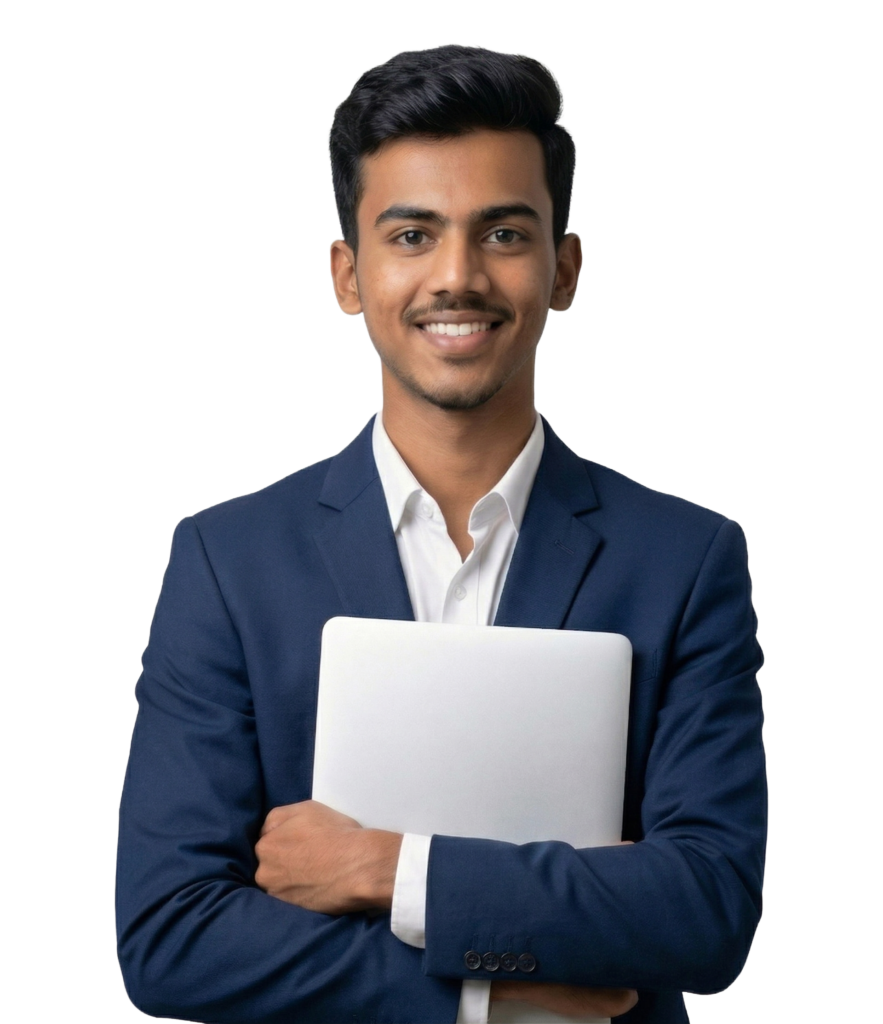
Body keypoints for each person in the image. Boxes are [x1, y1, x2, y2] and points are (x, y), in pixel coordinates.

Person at [116, 43, 766, 1024]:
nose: (456, 278)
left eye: (503, 233)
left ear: (565, 267)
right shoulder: (226, 561)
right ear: (347, 273)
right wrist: (489, 998)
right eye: (412, 235)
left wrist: (392, 868)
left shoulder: (683, 559)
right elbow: (170, 937)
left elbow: (707, 913)